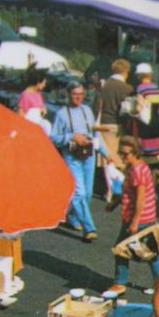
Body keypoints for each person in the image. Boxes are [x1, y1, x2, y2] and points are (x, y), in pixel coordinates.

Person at [51, 80, 100, 242]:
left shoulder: (87, 110)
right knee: (79, 193)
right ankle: (89, 228)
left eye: (81, 94)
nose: (78, 97)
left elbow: (94, 134)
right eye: (74, 94)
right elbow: (53, 138)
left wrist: (106, 152)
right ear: (68, 95)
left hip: (89, 155)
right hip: (72, 156)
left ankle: (72, 217)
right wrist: (71, 137)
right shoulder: (62, 114)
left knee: (88, 193)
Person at [113, 134, 159, 291]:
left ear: (135, 152)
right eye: (120, 152)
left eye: (125, 153)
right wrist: (114, 204)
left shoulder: (138, 171)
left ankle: (120, 283)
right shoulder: (136, 167)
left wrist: (134, 222)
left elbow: (140, 199)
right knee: (149, 253)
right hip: (141, 218)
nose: (122, 156)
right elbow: (128, 193)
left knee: (123, 250)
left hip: (140, 219)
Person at [127, 62, 159, 159]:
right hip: (157, 122)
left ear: (139, 76)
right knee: (155, 154)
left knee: (145, 155)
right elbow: (158, 108)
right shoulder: (157, 89)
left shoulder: (140, 89)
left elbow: (139, 108)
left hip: (146, 123)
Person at [97, 57, 134, 129]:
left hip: (101, 124)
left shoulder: (103, 85)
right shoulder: (128, 89)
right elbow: (130, 112)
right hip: (118, 126)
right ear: (126, 72)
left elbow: (96, 106)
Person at [17, 66, 51, 135]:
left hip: (37, 127)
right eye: (43, 83)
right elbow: (21, 115)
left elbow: (42, 110)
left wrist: (43, 112)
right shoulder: (25, 95)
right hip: (29, 130)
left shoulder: (38, 94)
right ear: (38, 83)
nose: (44, 85)